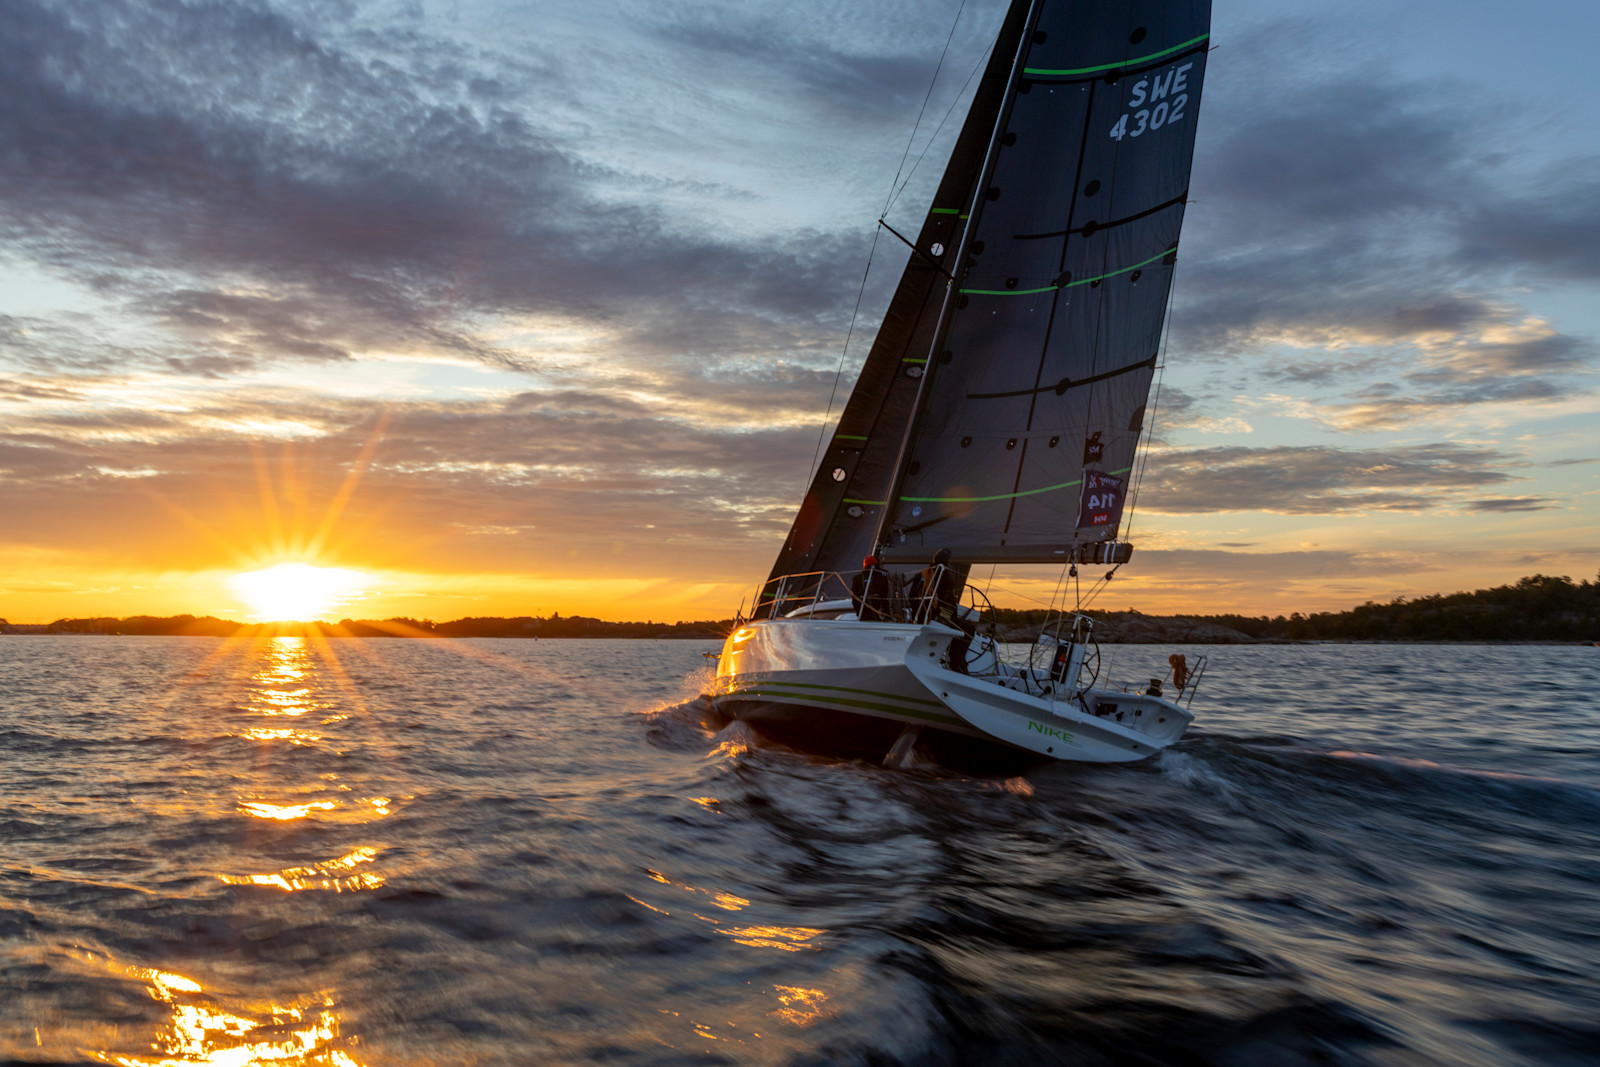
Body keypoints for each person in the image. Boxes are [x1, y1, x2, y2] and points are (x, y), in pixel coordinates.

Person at [910, 548, 971, 673]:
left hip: (918, 618)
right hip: (935, 618)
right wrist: (946, 619)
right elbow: (949, 605)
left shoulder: (921, 574)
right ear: (947, 562)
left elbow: (912, 597)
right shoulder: (946, 577)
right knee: (968, 629)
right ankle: (955, 663)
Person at [850, 555, 891, 622]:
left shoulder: (857, 579)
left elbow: (854, 598)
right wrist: (887, 611)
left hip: (864, 612)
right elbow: (886, 594)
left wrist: (859, 612)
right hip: (880, 611)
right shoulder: (883, 576)